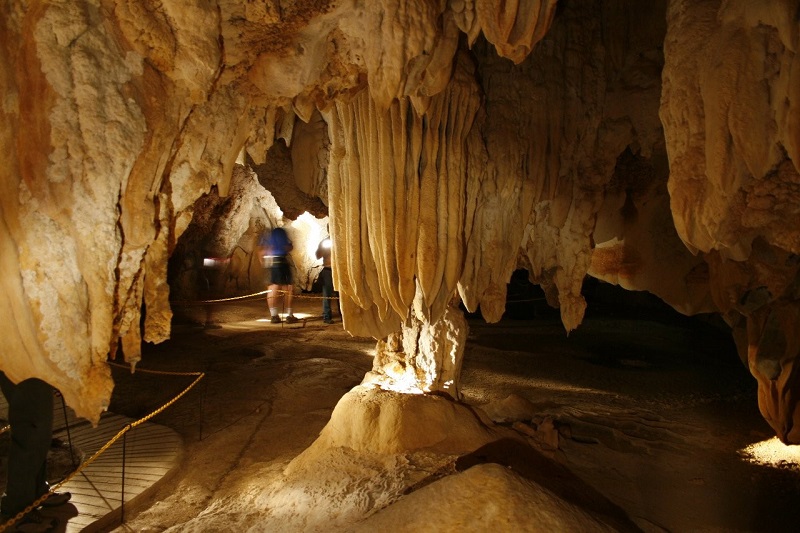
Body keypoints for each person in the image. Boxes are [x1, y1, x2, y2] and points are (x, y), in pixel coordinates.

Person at [0, 372, 71, 531]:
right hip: (21, 361)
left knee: (41, 430)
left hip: (32, 365)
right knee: (30, 431)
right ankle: (17, 509)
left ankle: (36, 492)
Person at [261, 227, 297, 324]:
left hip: (272, 263)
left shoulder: (267, 236)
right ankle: (289, 315)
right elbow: (288, 247)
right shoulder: (282, 232)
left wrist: (264, 263)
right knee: (289, 288)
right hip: (282, 262)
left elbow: (262, 251)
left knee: (273, 288)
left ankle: (274, 316)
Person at [315, 235, 335, 324]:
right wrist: (325, 249)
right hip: (328, 270)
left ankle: (344, 315)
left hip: (339, 270)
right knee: (327, 294)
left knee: (341, 294)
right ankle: (327, 316)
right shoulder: (325, 242)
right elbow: (318, 255)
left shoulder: (340, 238)